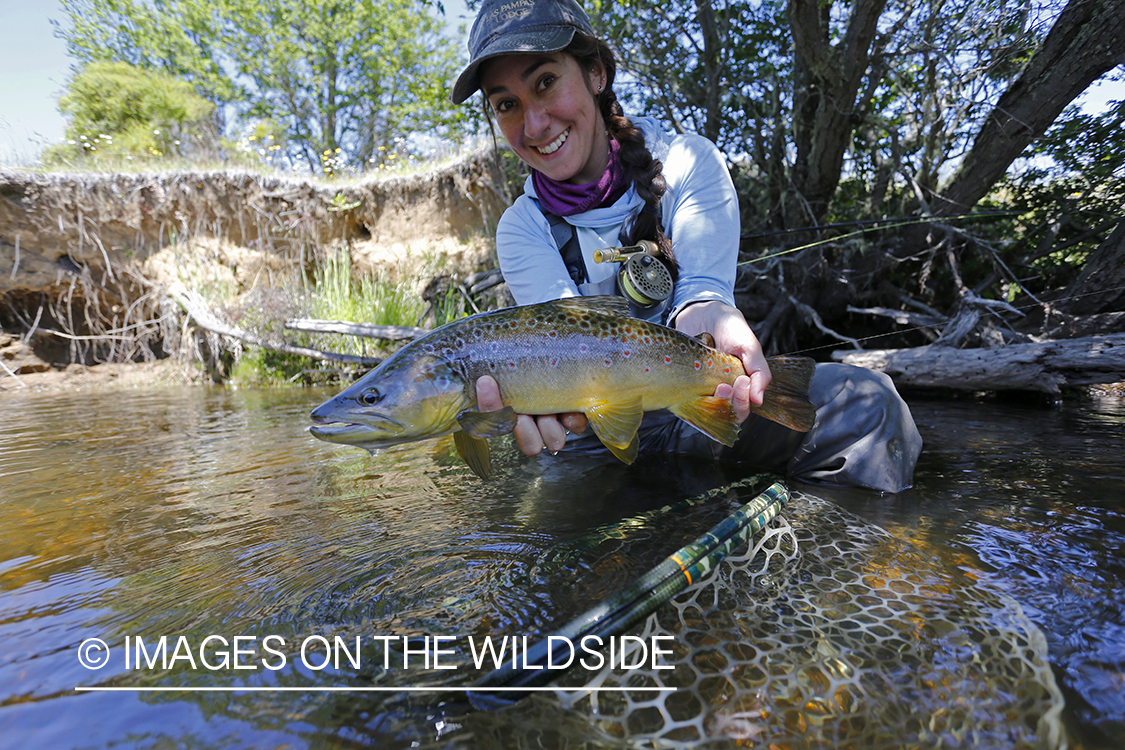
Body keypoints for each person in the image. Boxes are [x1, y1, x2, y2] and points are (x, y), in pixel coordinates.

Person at [451, 0, 922, 492]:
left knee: (868, 402)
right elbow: (574, 350)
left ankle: (860, 559)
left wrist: (711, 315)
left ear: (595, 73)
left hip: (700, 401)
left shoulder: (684, 161)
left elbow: (702, 295)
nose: (533, 125)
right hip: (591, 435)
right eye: (506, 104)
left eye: (545, 81)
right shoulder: (522, 227)